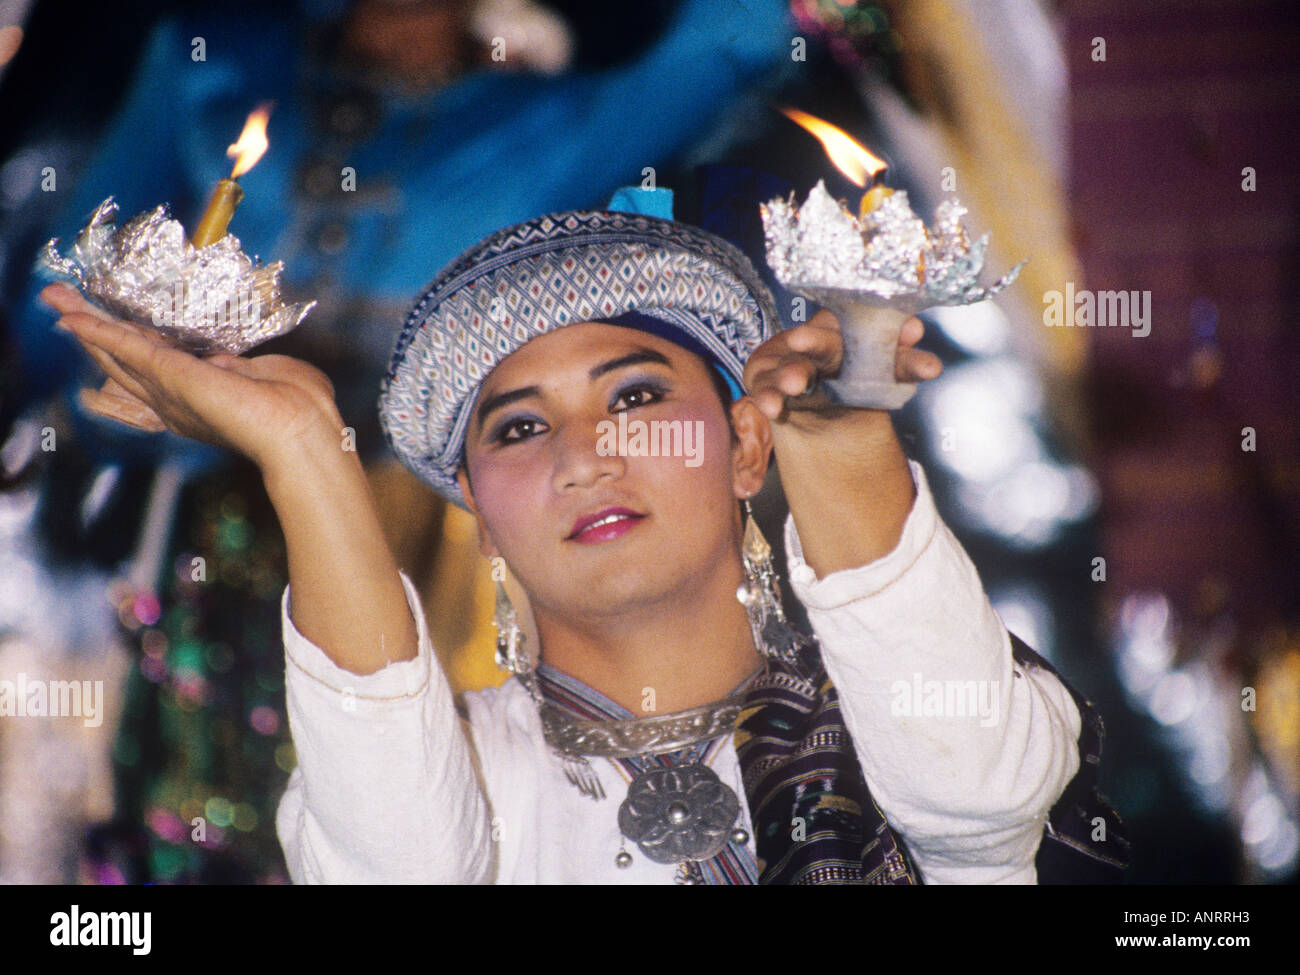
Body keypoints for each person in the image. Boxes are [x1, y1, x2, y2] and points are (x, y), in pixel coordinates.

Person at [41, 189, 1128, 884]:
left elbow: (979, 799)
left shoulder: (912, 716)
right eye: (519, 427)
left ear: (747, 449)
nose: (583, 454)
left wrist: (841, 447)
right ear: (482, 512)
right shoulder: (456, 773)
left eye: (638, 396)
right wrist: (302, 453)